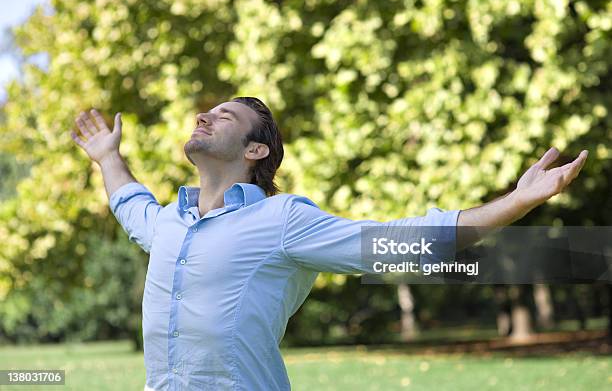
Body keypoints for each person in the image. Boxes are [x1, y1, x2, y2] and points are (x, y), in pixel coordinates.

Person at [71, 96, 588, 390]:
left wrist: (517, 203)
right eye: (206, 111)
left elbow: (394, 243)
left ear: (255, 149)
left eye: (224, 115)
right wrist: (108, 158)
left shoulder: (283, 219)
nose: (204, 116)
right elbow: (130, 205)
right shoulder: (169, 223)